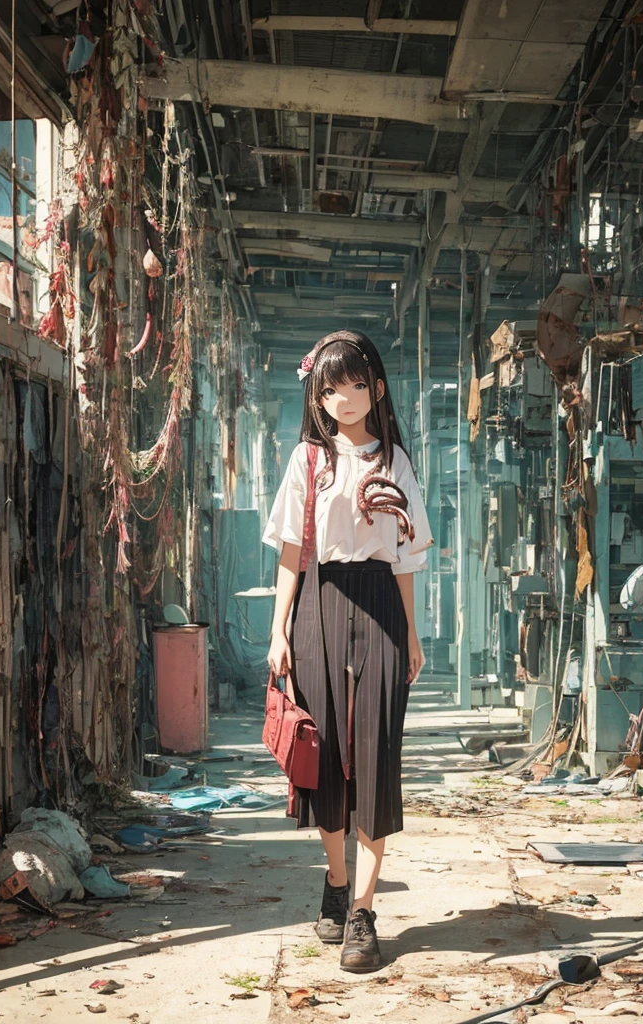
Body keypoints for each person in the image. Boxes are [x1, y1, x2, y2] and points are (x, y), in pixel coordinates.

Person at [263, 330, 433, 973]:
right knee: (326, 752)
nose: (345, 398)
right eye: (332, 388)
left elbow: (407, 556)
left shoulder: (395, 460)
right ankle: (336, 880)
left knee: (377, 754)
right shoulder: (308, 461)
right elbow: (291, 553)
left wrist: (413, 633)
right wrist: (280, 630)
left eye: (357, 384)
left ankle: (363, 913)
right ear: (318, 394)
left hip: (382, 607)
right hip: (318, 604)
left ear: (377, 388)